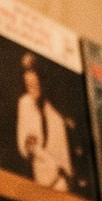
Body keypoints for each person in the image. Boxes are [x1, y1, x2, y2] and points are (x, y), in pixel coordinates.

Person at [14, 55, 75, 190]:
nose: (30, 78)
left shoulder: (54, 111)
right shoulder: (25, 103)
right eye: (26, 72)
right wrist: (41, 154)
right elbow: (24, 145)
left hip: (61, 182)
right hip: (41, 181)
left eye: (33, 72)